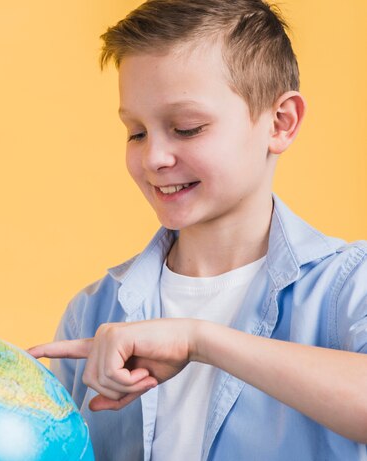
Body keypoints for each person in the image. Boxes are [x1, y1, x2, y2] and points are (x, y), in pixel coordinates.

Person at [27, 1, 367, 460]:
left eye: (187, 128)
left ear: (280, 123)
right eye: (136, 132)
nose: (154, 159)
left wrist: (199, 340)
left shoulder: (348, 287)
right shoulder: (94, 313)